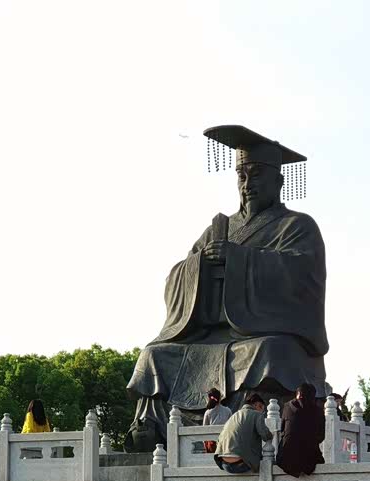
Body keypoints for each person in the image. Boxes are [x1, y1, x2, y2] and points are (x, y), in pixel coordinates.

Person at [125, 123, 328, 450]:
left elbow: (301, 276)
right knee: (153, 355)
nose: (247, 184)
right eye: (242, 176)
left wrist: (240, 260)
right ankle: (151, 428)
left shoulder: (298, 226)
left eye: (257, 175)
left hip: (260, 334)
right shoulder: (219, 228)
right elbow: (175, 277)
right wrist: (200, 266)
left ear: (278, 181)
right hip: (209, 336)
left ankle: (250, 422)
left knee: (272, 352)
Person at [276, 383, 325, 481]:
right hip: (309, 452)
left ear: (297, 394)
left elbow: (282, 429)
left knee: (283, 456)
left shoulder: (287, 406)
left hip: (288, 452)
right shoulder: (318, 410)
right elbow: (321, 436)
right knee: (319, 461)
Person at [214, 392, 272, 474]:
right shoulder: (257, 414)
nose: (262, 411)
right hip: (240, 464)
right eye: (261, 407)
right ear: (255, 405)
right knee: (263, 462)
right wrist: (271, 435)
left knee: (246, 456)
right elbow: (265, 436)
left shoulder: (234, 415)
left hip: (223, 463)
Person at [202, 388, 232, 453]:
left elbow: (204, 429)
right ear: (220, 398)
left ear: (209, 398)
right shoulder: (228, 411)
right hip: (225, 443)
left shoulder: (208, 412)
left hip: (212, 444)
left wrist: (205, 443)